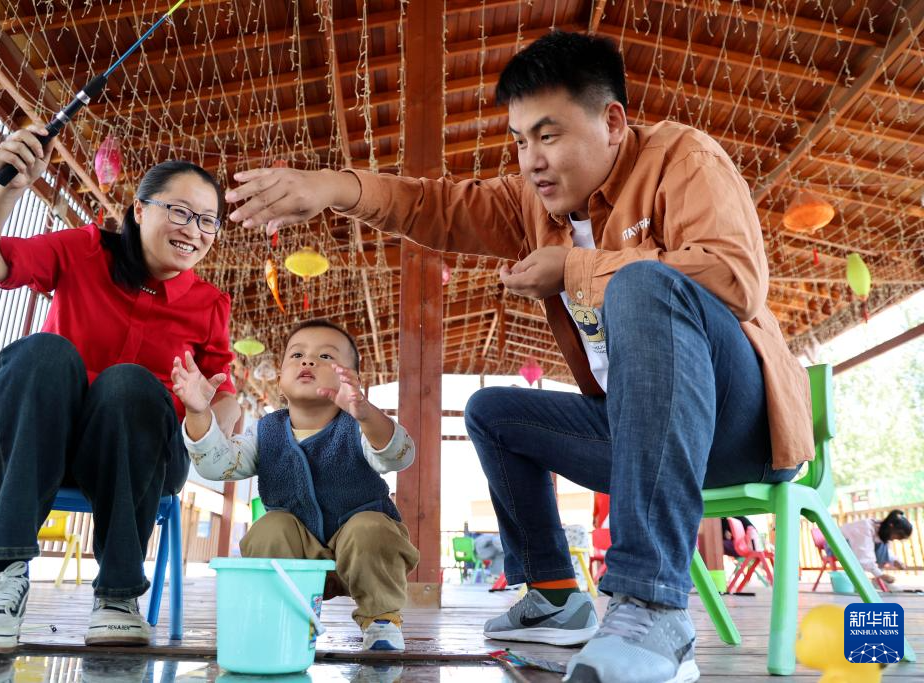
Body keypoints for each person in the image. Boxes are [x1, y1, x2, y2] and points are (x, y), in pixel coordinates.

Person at [222, 30, 815, 683]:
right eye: (519, 140)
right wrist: (334, 186)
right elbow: (434, 205)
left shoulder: (683, 158)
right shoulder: (533, 203)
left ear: (613, 122)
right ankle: (555, 594)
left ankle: (652, 608)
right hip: (633, 434)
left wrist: (577, 268)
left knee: (644, 283)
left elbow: (735, 277)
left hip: (738, 429)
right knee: (492, 412)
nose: (532, 159)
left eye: (549, 135)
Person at [0, 127, 239, 652]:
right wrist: (8, 190)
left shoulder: (210, 303)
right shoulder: (85, 249)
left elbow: (224, 399)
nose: (195, 230)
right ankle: (1, 579)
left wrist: (206, 417)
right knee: (40, 352)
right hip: (48, 446)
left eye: (208, 220)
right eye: (180, 211)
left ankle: (119, 596)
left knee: (130, 383)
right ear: (140, 210)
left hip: (142, 460)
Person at [172, 318, 420, 651]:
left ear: (352, 380)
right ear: (280, 380)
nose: (308, 361)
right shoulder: (265, 432)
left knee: (371, 528)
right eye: (297, 355)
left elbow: (397, 455)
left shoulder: (358, 427)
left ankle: (381, 620)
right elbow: (218, 464)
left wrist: (365, 413)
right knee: (269, 528)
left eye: (326, 356)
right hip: (296, 554)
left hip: (363, 552)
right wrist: (198, 412)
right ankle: (288, 619)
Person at [840, 510, 913, 585]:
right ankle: (878, 579)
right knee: (881, 545)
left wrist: (894, 561)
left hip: (851, 547)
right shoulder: (865, 528)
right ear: (891, 526)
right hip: (837, 547)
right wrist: (880, 574)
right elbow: (863, 555)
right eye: (898, 536)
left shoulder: (881, 530)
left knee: (883, 543)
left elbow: (884, 552)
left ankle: (878, 580)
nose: (894, 539)